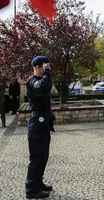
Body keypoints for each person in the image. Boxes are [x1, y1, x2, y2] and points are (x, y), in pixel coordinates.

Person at [25, 56, 55, 199]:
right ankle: (31, 190)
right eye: (45, 67)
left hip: (43, 124)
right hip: (37, 124)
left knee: (43, 156)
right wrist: (48, 72)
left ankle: (38, 183)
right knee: (37, 157)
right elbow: (44, 85)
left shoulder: (41, 80)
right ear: (38, 67)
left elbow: (47, 84)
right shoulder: (32, 82)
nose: (47, 69)